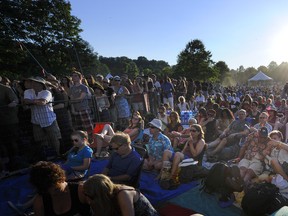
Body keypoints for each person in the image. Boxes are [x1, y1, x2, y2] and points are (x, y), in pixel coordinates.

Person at [83, 174, 159, 216]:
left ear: (100, 194)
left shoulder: (123, 194)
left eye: (91, 196)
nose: (88, 200)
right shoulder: (109, 195)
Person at [23, 76, 61, 157]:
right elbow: (26, 101)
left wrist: (32, 102)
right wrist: (36, 101)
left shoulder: (47, 92)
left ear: (41, 84)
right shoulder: (28, 91)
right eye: (32, 82)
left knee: (54, 139)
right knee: (40, 140)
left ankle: (58, 154)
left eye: (36, 82)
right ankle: (46, 155)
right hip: (36, 121)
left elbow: (43, 102)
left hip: (49, 120)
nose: (33, 84)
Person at [68, 71, 94, 141]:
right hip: (76, 110)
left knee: (88, 129)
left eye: (75, 76)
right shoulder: (71, 89)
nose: (73, 77)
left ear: (80, 77)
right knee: (79, 130)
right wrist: (73, 110)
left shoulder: (84, 87)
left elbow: (80, 98)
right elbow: (71, 100)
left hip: (84, 109)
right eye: (72, 76)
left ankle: (92, 142)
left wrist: (74, 100)